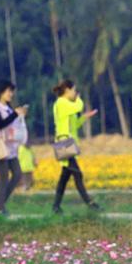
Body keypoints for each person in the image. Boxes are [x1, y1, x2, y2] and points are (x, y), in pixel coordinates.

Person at [51, 79, 100, 214]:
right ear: (67, 90)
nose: (75, 93)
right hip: (63, 143)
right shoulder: (62, 103)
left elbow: (74, 126)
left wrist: (84, 117)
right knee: (78, 174)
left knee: (65, 177)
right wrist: (79, 99)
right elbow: (78, 106)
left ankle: (56, 206)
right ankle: (90, 204)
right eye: (74, 90)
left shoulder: (65, 105)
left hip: (67, 143)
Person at [0, 80, 27, 215]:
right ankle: (0, 207)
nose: (11, 94)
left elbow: (12, 123)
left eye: (12, 91)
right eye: (8, 91)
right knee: (4, 176)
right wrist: (15, 115)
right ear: (1, 92)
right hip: (0, 147)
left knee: (17, 174)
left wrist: (20, 115)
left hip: (11, 147)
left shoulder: (9, 107)